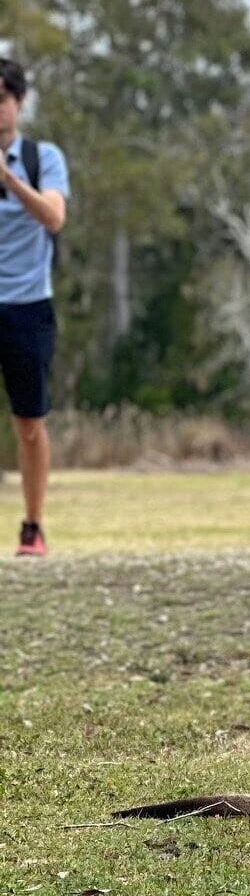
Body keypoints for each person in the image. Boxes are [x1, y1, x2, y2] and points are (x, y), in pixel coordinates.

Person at [0, 57, 68, 556]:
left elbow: (54, 217)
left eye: (1, 98)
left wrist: (9, 180)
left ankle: (33, 526)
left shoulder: (43, 157)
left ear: (19, 102)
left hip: (28, 304)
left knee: (28, 424)